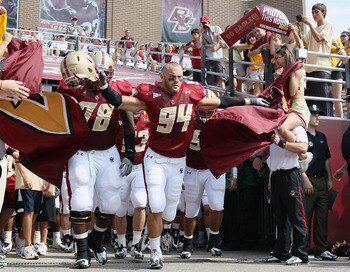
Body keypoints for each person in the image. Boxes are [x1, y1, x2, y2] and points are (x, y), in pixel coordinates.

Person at [96, 61, 269, 269]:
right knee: (156, 206)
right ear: (162, 78)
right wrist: (105, 88)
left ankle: (156, 239)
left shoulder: (192, 92)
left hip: (178, 160)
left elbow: (221, 102)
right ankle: (155, 250)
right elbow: (120, 101)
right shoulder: (151, 94)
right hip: (155, 158)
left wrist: (251, 101)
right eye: (172, 77)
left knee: (169, 213)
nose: (177, 81)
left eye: (179, 77)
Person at [58, 51, 135, 269]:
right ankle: (82, 252)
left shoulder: (118, 90)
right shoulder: (72, 89)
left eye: (109, 73)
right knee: (81, 200)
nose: (106, 77)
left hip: (107, 150)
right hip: (80, 152)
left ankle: (95, 240)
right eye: (103, 72)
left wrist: (129, 153)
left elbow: (129, 123)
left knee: (111, 204)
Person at [180, 90, 226, 259]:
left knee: (217, 205)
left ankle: (214, 239)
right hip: (192, 167)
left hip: (213, 169)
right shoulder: (188, 119)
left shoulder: (221, 120)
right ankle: (188, 242)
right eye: (203, 110)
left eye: (210, 110)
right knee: (191, 209)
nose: (206, 114)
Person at [263, 126, 309, 265]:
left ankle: (300, 253)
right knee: (280, 217)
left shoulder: (297, 128)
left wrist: (280, 142)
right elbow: (269, 154)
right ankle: (281, 253)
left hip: (291, 174)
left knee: (297, 215)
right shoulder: (272, 128)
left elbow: (302, 148)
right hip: (276, 174)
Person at [114, 110, 150, 260]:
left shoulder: (149, 117)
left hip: (140, 166)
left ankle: (136, 243)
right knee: (120, 206)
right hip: (120, 165)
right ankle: (121, 243)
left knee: (140, 202)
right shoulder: (118, 117)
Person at [304, 104, 338, 261]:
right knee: (306, 217)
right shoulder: (302, 135)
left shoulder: (322, 136)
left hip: (322, 181)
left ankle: (321, 250)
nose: (317, 117)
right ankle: (301, 249)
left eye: (318, 114)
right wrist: (305, 180)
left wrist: (330, 178)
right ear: (306, 116)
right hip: (308, 181)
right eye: (314, 114)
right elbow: (298, 160)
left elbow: (326, 159)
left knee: (322, 218)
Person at [301, 3, 333, 116]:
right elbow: (303, 42)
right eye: (312, 12)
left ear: (323, 13)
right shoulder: (311, 30)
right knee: (311, 103)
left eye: (317, 12)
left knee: (324, 102)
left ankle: (328, 126)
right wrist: (295, 28)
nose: (314, 15)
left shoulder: (328, 26)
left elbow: (319, 38)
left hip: (321, 68)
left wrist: (309, 24)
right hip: (310, 69)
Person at [200, 16, 226, 89]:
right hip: (209, 58)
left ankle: (223, 97)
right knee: (212, 81)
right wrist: (200, 32)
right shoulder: (203, 32)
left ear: (209, 22)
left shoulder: (216, 28)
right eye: (202, 23)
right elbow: (199, 45)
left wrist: (211, 31)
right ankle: (216, 97)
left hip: (218, 58)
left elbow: (221, 38)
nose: (204, 25)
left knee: (221, 79)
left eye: (205, 23)